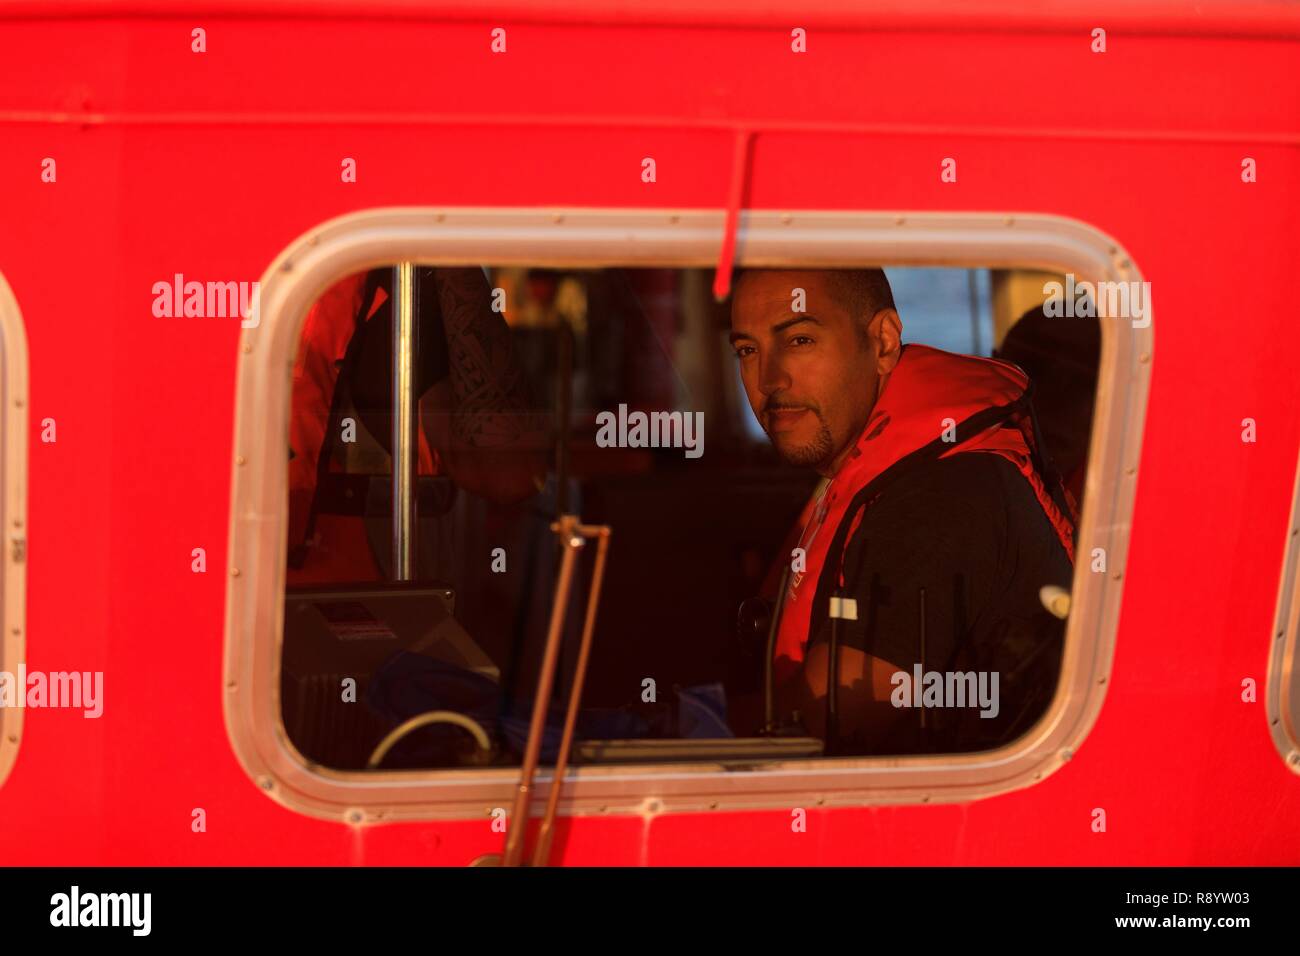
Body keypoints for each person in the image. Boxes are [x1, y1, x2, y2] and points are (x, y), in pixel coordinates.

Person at [729, 269, 1076, 755]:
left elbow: (819, 736)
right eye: (747, 350)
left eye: (801, 340)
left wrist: (699, 727)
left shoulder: (943, 496)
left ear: (884, 342)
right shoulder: (867, 477)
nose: (770, 379)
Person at [288, 266, 546, 584]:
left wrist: (450, 254)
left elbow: (509, 474)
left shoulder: (401, 279)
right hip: (251, 596)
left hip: (349, 605)